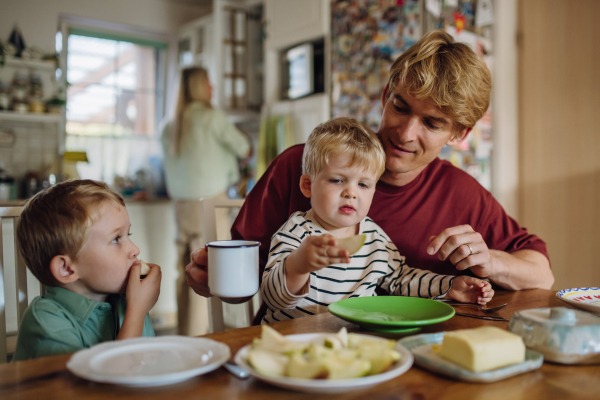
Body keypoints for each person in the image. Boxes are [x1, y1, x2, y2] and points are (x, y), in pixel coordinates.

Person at [185, 29, 553, 312]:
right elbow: (244, 287)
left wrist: (490, 261)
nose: (406, 133)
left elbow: (542, 273)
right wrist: (210, 279)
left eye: (433, 123)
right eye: (401, 106)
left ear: (460, 134)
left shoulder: (462, 192)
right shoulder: (300, 164)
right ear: (385, 96)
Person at [262, 118, 493, 323]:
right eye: (337, 180)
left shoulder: (372, 235)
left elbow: (401, 279)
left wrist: (450, 286)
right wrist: (298, 265)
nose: (351, 193)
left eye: (363, 184)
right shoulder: (297, 232)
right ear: (308, 185)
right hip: (296, 342)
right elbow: (273, 299)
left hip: (355, 342)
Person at [12, 180, 161, 361]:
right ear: (66, 269)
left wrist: (137, 307)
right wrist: (136, 311)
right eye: (116, 239)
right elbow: (103, 385)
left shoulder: (127, 300)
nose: (135, 250)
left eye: (127, 235)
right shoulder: (45, 322)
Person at [161, 67, 251, 335]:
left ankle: (184, 334)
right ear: (200, 87)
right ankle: (198, 341)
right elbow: (244, 147)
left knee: (185, 271)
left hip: (181, 204)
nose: (213, 88)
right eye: (209, 83)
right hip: (210, 202)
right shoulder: (211, 118)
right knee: (208, 272)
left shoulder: (170, 125)